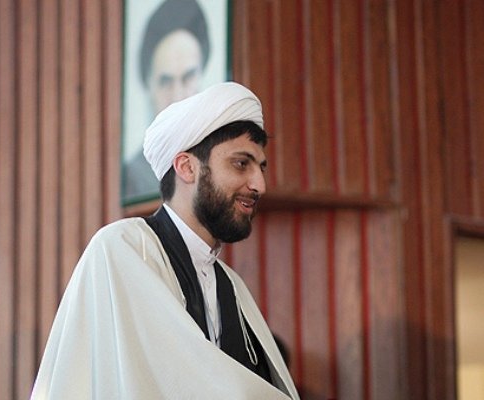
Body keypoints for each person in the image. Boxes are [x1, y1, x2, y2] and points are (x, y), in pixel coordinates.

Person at [31, 82, 299, 399]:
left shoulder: (231, 285)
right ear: (186, 167)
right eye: (241, 163)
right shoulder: (124, 248)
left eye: (261, 167)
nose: (259, 185)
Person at [123, 0, 211, 203]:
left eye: (188, 78)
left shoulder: (218, 163)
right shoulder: (133, 178)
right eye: (166, 82)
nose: (178, 96)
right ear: (148, 86)